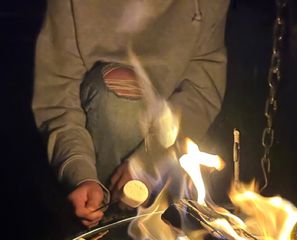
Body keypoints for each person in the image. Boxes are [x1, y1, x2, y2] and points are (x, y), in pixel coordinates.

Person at [33, 0, 230, 228]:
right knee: (121, 102)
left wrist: (148, 161)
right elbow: (58, 96)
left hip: (172, 137)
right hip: (94, 122)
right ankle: (101, 225)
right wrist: (80, 173)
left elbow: (201, 90)